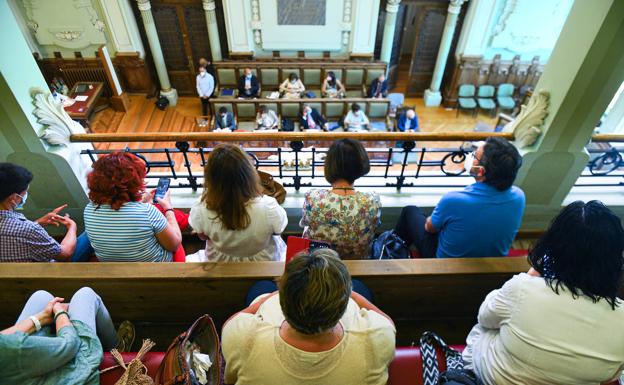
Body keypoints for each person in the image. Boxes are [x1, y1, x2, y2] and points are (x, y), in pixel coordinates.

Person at [463, 200, 624, 385]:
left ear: (553, 246)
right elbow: (611, 376)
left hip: (491, 378)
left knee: (487, 327)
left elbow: (485, 317)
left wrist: (530, 278)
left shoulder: (522, 289)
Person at [222, 249, 396, 385]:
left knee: (261, 287)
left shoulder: (243, 339)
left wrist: (275, 293)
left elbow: (230, 324)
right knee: (360, 287)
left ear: (282, 303)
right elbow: (388, 323)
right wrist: (351, 293)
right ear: (342, 308)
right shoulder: (376, 337)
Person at [394, 137, 525, 258]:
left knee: (410, 211)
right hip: (491, 265)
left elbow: (429, 228)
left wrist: (432, 219)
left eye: (474, 156)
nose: (470, 157)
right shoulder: (519, 197)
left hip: (446, 267)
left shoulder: (454, 200)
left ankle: (392, 250)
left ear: (480, 171)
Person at [0, 287, 135, 384]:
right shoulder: (13, 349)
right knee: (84, 295)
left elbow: (5, 339)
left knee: (40, 296)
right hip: (71, 376)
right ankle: (118, 348)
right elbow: (70, 344)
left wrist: (41, 317)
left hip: (21, 370)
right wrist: (59, 312)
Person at [189, 144, 287, 262]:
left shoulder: (202, 207)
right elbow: (278, 230)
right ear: (249, 175)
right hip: (262, 262)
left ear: (211, 178)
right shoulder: (268, 207)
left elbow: (202, 236)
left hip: (220, 263)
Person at [84, 152, 185, 262]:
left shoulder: (89, 210)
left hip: (114, 269)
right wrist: (168, 208)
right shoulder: (148, 212)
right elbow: (174, 245)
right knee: (175, 239)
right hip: (155, 271)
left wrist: (142, 202)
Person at [300, 139, 381, 259]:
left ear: (329, 165)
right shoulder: (372, 200)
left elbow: (305, 224)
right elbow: (375, 227)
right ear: (360, 164)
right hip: (358, 262)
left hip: (321, 265)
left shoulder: (313, 197)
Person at [0, 162, 93, 262]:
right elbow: (65, 254)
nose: (26, 195)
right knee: (89, 234)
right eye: (25, 192)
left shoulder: (27, 229)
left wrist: (37, 222)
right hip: (43, 275)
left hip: (8, 276)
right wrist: (72, 227)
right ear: (13, 198)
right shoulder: (29, 230)